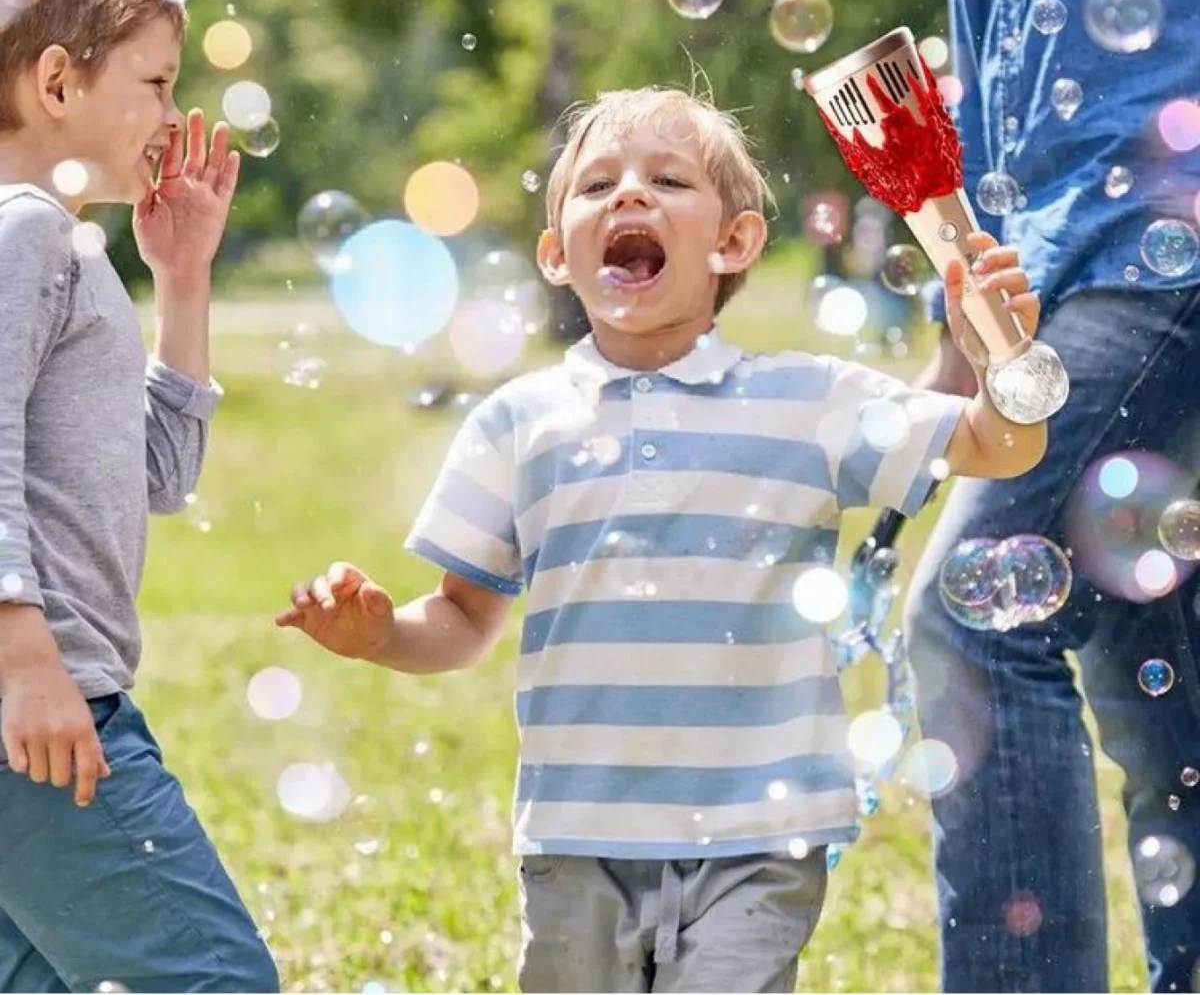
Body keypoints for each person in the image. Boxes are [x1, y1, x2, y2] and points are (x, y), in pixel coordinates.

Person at [279, 85, 1047, 993]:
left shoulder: (809, 402)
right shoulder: (518, 422)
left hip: (761, 836)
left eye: (668, 179)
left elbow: (998, 445)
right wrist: (381, 637)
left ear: (735, 241)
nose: (630, 195)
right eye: (598, 183)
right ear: (557, 253)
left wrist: (1003, 361)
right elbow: (463, 616)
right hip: (578, 834)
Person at [906, 0, 1200, 991]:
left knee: (975, 618)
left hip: (1165, 237)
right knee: (1166, 690)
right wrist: (964, 325)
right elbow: (990, 90)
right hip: (1056, 275)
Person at [0, 0, 279, 992]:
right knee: (216, 980)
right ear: (59, 82)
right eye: (157, 82)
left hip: (34, 703)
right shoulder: (24, 232)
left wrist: (184, 279)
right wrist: (24, 657)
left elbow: (157, 473)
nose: (172, 116)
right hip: (41, 710)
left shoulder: (68, 247)